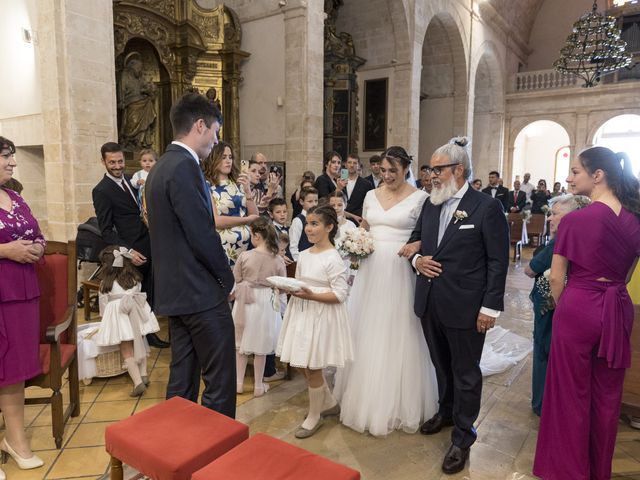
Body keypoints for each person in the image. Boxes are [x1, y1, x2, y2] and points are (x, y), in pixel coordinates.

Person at [533, 146, 640, 480]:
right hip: (617, 308)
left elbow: (554, 277)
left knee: (569, 394)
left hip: (578, 305)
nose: (568, 177)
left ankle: (567, 471)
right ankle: (598, 472)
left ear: (598, 176)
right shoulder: (636, 219)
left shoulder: (575, 220)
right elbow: (627, 275)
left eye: (575, 171)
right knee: (607, 397)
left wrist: (567, 305)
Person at [406, 137, 509, 474]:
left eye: (438, 169)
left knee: (466, 373)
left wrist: (489, 308)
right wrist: (418, 260)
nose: (431, 175)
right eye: (431, 169)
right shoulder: (431, 204)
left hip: (466, 305)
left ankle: (463, 437)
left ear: (458, 170)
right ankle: (446, 412)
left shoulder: (486, 207)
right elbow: (414, 243)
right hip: (430, 300)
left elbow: (497, 261)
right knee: (441, 364)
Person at [334, 146, 438, 437]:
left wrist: (415, 246)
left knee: (398, 328)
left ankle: (398, 401)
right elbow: (366, 226)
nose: (388, 175)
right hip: (370, 269)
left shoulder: (421, 198)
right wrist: (356, 241)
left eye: (395, 170)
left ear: (406, 168)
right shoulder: (369, 195)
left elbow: (426, 235)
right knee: (368, 327)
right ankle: (362, 393)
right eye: (384, 170)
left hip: (400, 268)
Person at [144, 92, 236, 417]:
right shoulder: (185, 166)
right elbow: (201, 233)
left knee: (182, 381)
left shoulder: (160, 168)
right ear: (200, 125)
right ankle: (218, 459)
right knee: (219, 382)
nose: (215, 140)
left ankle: (176, 455)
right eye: (214, 131)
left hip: (175, 292)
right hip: (200, 294)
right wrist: (227, 279)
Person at [276, 205, 354, 438]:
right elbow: (300, 282)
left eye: (315, 224)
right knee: (299, 361)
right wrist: (286, 288)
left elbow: (340, 294)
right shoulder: (306, 255)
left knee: (313, 365)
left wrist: (310, 295)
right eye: (308, 223)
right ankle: (328, 401)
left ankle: (314, 416)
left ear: (329, 227)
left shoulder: (333, 258)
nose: (308, 228)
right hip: (301, 313)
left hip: (321, 315)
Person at [92, 142, 168, 348]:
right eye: (112, 162)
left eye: (120, 161)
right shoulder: (101, 190)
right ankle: (141, 336)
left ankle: (149, 331)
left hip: (150, 241)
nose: (117, 166)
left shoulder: (132, 179)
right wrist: (127, 252)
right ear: (103, 162)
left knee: (151, 289)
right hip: (132, 250)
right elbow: (106, 231)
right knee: (137, 293)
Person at [0, 136, 46, 476]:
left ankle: (15, 440)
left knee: (12, 371)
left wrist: (37, 249)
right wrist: (5, 251)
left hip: (21, 294)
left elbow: (38, 235)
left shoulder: (15, 196)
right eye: (5, 157)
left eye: (12, 157)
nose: (13, 163)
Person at [524, 194, 590, 416]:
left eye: (555, 214)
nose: (550, 218)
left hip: (552, 302)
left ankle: (542, 404)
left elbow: (531, 268)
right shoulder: (585, 238)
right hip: (575, 303)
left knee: (544, 350)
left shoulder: (559, 241)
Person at [232, 219, 287, 397]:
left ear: (256, 235)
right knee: (261, 347)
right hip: (266, 303)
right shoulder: (278, 259)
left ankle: (238, 384)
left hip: (245, 301)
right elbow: (283, 285)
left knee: (240, 346)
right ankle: (258, 385)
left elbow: (236, 279)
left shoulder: (244, 256)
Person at [96, 246, 160, 397]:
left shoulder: (105, 284)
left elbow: (103, 307)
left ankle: (137, 382)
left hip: (120, 320)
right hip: (138, 317)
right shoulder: (135, 279)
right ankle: (144, 375)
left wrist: (105, 321)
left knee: (127, 350)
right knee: (141, 344)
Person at [203, 141, 259, 266]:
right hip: (225, 247)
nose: (228, 161)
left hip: (247, 246)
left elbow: (255, 217)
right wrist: (245, 220)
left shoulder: (237, 182)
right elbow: (216, 221)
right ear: (213, 158)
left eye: (230, 157)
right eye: (223, 157)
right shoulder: (207, 186)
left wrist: (248, 191)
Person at [118, 53, 157, 149]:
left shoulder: (140, 78)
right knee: (132, 122)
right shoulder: (125, 75)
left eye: (140, 68)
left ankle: (140, 141)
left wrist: (150, 88)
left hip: (142, 102)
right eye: (138, 67)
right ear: (132, 66)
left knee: (149, 106)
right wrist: (121, 101)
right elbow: (121, 89)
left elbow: (147, 88)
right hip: (131, 103)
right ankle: (128, 140)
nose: (139, 70)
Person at [289, 187, 319, 261]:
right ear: (302, 202)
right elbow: (293, 247)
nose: (314, 204)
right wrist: (301, 262)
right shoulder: (298, 221)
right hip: (303, 262)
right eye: (310, 201)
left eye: (316, 201)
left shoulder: (318, 220)